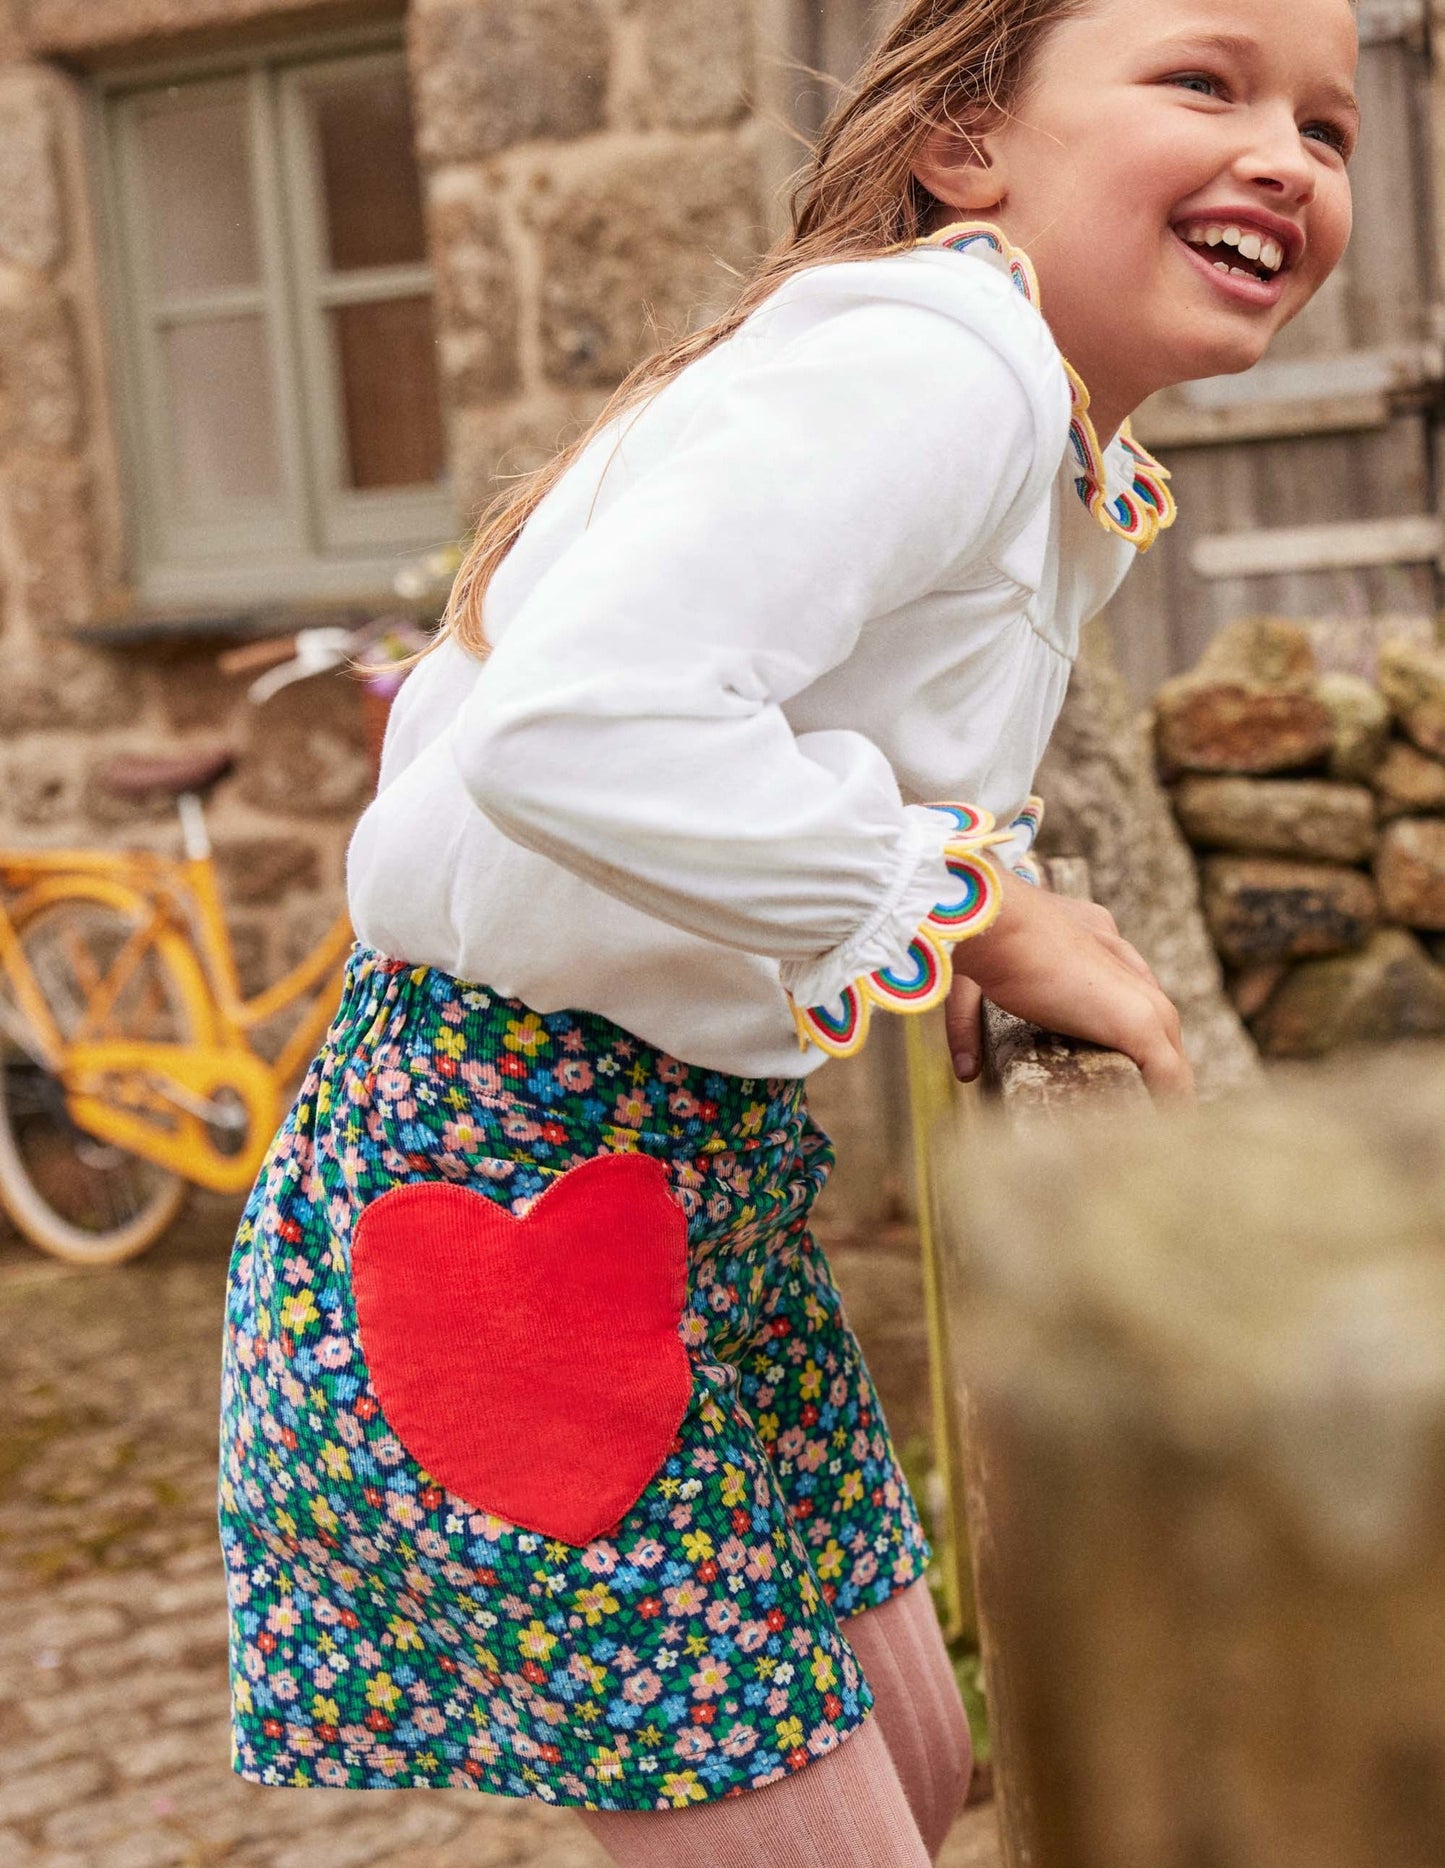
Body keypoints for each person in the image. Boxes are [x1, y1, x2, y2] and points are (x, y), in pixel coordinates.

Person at [218, 0, 1357, 1859]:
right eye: (1203, 82)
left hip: (689, 1196)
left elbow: (821, 727)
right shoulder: (938, 370)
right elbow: (578, 730)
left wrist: (973, 884)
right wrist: (974, 917)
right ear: (966, 143)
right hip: (500, 1203)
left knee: (917, 1781)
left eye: (1329, 128)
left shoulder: (998, 396)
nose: (1282, 159)